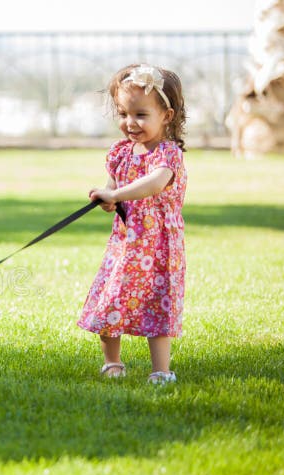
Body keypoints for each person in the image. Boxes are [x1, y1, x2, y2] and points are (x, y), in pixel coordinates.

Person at [78, 64, 187, 384]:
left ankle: (161, 370)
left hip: (158, 245)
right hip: (125, 243)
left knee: (158, 304)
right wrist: (108, 199)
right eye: (124, 114)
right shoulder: (120, 153)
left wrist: (117, 193)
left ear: (166, 116)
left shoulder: (168, 154)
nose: (130, 123)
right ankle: (112, 362)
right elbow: (114, 185)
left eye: (141, 115)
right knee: (110, 297)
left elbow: (154, 184)